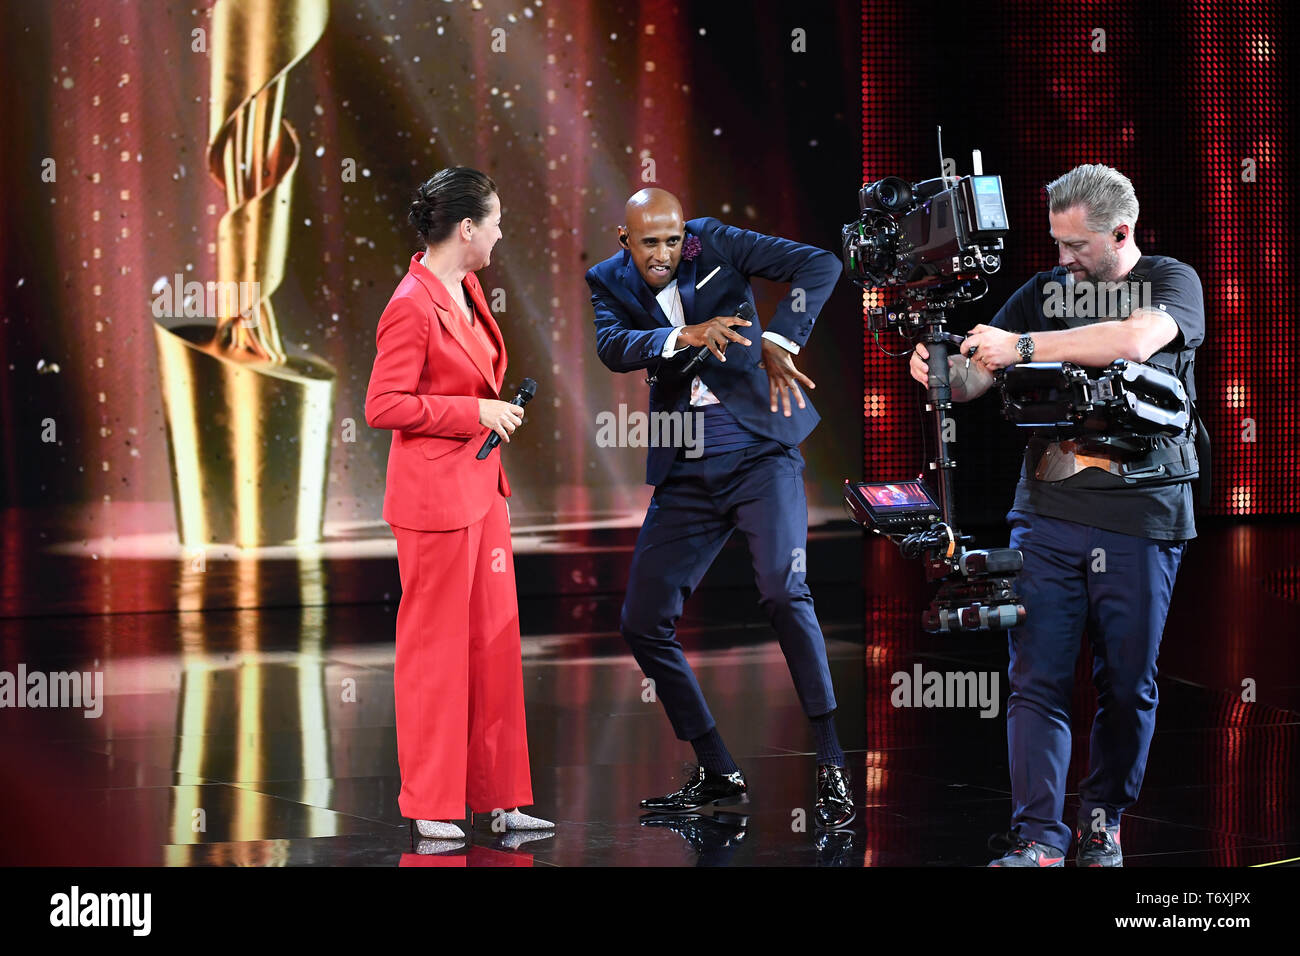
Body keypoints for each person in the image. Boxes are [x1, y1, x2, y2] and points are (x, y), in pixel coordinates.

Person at [909, 164, 1205, 866]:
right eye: (1056, 244)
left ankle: (1104, 819)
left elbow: (1134, 341)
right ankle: (1040, 838)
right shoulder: (1047, 290)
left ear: (1121, 233)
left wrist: (1025, 349)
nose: (1063, 261)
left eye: (1076, 247)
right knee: (1036, 679)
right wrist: (941, 364)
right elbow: (980, 373)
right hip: (1045, 513)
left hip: (1142, 514)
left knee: (1127, 685)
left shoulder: (1171, 282)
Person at [586, 187, 854, 829]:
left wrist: (781, 341)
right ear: (625, 241)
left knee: (784, 592)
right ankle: (715, 767)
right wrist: (683, 336)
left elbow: (822, 265)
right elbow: (614, 346)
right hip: (685, 464)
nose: (665, 253)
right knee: (642, 620)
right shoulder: (606, 281)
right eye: (649, 242)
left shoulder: (716, 241)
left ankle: (831, 761)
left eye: (673, 240)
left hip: (761, 451)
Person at [365, 166, 552, 842]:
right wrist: (472, 409)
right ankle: (431, 800)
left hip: (482, 491)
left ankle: (500, 797)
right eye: (495, 222)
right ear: (466, 229)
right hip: (434, 500)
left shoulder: (468, 285)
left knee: (495, 646)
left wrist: (486, 412)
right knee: (436, 653)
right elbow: (383, 405)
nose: (501, 233)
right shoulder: (410, 303)